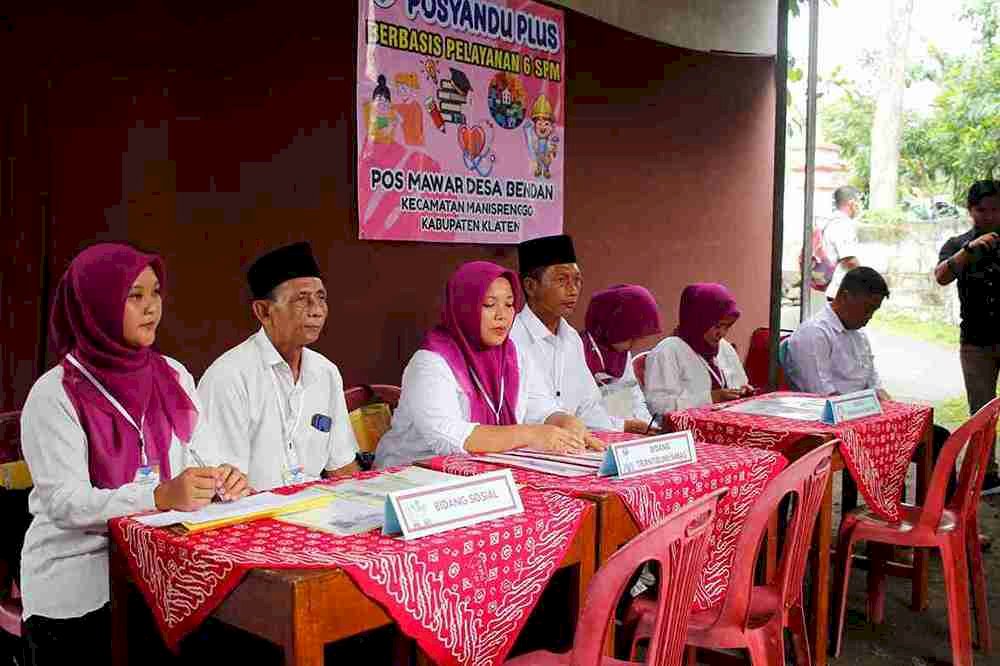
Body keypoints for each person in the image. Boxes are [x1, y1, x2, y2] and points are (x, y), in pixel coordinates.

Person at [19, 243, 249, 666]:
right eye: (134, 296)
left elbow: (205, 458)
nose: (151, 308)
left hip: (160, 575)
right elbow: (67, 505)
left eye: (156, 292)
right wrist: (158, 497)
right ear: (95, 305)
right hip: (80, 589)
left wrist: (224, 478)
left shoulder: (173, 374)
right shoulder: (53, 395)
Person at [374, 261, 604, 469]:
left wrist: (566, 423)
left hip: (481, 477)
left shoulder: (512, 355)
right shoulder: (431, 362)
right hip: (409, 476)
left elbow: (539, 406)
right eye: (489, 304)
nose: (502, 316)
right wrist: (530, 434)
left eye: (509, 304)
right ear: (464, 308)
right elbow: (448, 437)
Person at [198, 242, 360, 491]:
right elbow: (224, 487)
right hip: (254, 516)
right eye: (302, 300)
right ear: (263, 311)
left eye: (321, 298)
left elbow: (342, 468)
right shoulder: (229, 376)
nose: (317, 311)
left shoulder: (326, 373)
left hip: (317, 511)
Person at [510, 234, 635, 432]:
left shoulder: (571, 339)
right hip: (530, 447)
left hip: (572, 441)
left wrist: (622, 426)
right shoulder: (511, 339)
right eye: (562, 280)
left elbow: (588, 405)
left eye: (577, 280)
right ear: (531, 286)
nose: (573, 290)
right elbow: (528, 407)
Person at [935, 179, 1000, 494]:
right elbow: (941, 276)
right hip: (975, 340)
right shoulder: (959, 244)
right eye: (981, 210)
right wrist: (970, 251)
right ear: (970, 210)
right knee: (982, 410)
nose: (988, 216)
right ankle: (984, 474)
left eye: (995, 209)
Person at [644, 283, 752, 417]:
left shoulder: (724, 347)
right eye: (718, 326)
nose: (722, 333)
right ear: (698, 320)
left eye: (727, 326)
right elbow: (657, 407)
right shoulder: (668, 351)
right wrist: (709, 398)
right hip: (687, 432)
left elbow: (739, 383)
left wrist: (742, 391)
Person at [785, 267, 890, 399]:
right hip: (829, 412)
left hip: (858, 408)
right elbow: (823, 395)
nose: (870, 316)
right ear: (846, 297)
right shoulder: (814, 333)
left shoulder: (859, 333)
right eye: (867, 309)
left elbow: (874, 384)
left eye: (874, 310)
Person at [581, 285, 662, 430]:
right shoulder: (580, 351)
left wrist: (649, 425)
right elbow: (583, 412)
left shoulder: (620, 353)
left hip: (620, 428)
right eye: (630, 336)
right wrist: (625, 426)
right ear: (612, 327)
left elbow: (633, 396)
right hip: (592, 432)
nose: (635, 343)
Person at [812, 186, 863, 314]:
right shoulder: (842, 224)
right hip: (838, 291)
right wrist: (866, 278)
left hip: (832, 290)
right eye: (859, 202)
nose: (860, 207)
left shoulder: (831, 222)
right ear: (851, 203)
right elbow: (849, 260)